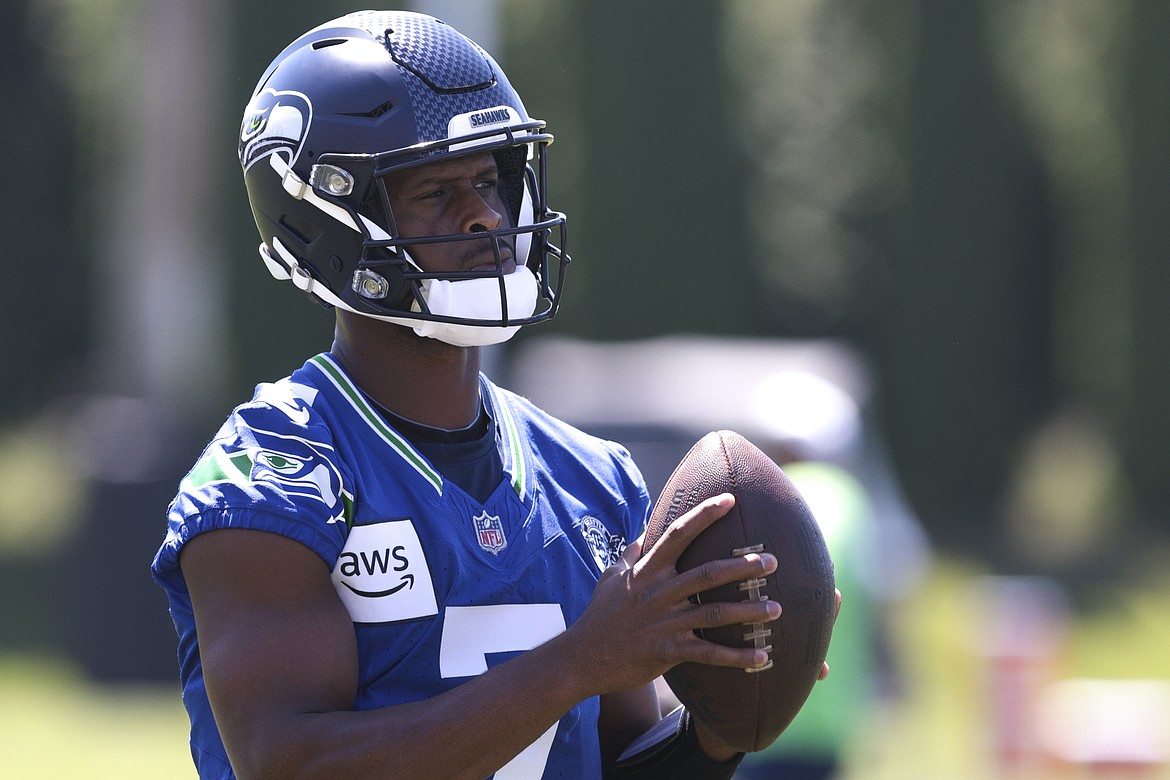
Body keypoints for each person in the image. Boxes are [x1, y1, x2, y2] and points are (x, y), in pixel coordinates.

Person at [151, 11, 831, 779]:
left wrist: (722, 725)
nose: (485, 215)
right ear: (325, 218)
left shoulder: (592, 479)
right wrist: (577, 662)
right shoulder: (273, 475)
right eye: (436, 191)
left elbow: (613, 764)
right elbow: (291, 765)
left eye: (489, 180)